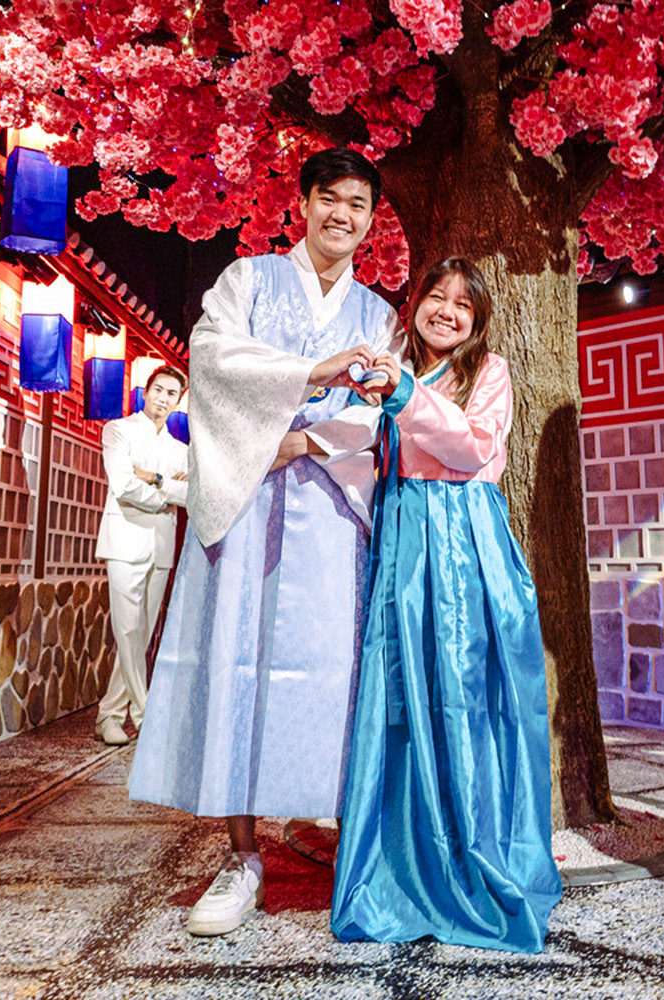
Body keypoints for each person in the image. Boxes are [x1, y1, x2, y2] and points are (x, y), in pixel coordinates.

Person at [126, 148, 396, 937]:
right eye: (329, 199)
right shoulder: (247, 279)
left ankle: (336, 833)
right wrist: (313, 372)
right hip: (244, 502)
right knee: (236, 663)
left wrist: (304, 445)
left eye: (358, 205)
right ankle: (240, 856)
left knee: (329, 670)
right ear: (304, 203)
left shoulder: (379, 312)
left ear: (371, 221)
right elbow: (211, 361)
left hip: (331, 508)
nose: (342, 216)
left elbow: (381, 406)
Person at [330, 258, 563, 953]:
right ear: (416, 302)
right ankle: (398, 862)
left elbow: (471, 448)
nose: (449, 312)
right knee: (400, 696)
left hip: (463, 544)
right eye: (437, 297)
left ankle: (471, 855)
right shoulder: (389, 364)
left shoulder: (486, 373)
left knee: (464, 698)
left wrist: (401, 392)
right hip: (404, 540)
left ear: (479, 321)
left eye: (464, 305)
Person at [93, 365, 190, 746]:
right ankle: (144, 711)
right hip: (124, 540)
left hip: (160, 546)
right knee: (129, 630)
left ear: (178, 401)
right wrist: (167, 494)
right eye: (158, 390)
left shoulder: (180, 450)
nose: (163, 399)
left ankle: (110, 715)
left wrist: (154, 479)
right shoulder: (118, 430)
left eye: (171, 394)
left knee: (139, 636)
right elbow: (122, 484)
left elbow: (191, 494)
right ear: (144, 391)